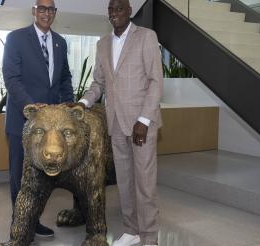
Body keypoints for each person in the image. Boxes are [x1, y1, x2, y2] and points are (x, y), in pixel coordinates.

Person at [78, 0, 163, 245]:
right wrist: (83, 103)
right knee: (124, 181)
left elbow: (156, 81)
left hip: (141, 126)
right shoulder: (102, 44)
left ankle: (149, 237)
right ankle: (131, 230)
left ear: (129, 11)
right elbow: (99, 83)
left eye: (119, 9)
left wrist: (144, 120)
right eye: (110, 10)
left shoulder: (146, 37)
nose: (114, 13)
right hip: (115, 123)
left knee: (145, 184)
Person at [1, 0, 74, 239]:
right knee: (19, 176)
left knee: (41, 177)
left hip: (50, 128)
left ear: (55, 13)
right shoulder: (16, 38)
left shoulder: (60, 42)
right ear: (33, 11)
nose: (46, 13)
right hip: (22, 122)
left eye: (50, 9)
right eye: (41, 8)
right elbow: (11, 78)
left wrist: (69, 106)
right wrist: (31, 107)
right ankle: (19, 224)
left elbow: (64, 78)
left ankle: (33, 220)